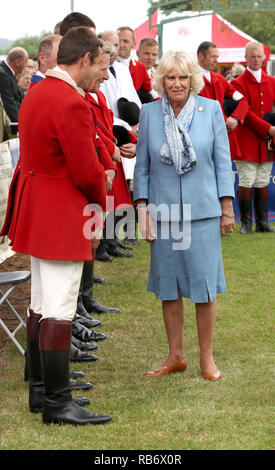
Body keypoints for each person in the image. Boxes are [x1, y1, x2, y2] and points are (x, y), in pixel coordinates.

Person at [0, 26, 112, 425]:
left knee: (41, 303)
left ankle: (40, 390)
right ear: (84, 60)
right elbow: (86, 170)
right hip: (61, 211)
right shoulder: (70, 102)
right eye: (98, 64)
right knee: (60, 308)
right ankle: (58, 402)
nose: (100, 72)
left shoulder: (37, 91)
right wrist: (103, 201)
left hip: (36, 206)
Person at [134, 50, 235, 381]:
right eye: (170, 77)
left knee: (204, 287)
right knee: (168, 287)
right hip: (163, 215)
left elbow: (222, 163)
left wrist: (226, 209)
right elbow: (143, 167)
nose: (176, 84)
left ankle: (207, 358)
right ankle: (176, 355)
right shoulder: (149, 113)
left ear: (193, 79)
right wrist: (143, 210)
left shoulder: (212, 111)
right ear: (161, 81)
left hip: (203, 213)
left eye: (182, 77)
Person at [231, 41, 275, 233]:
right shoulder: (236, 83)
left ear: (264, 58)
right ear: (246, 58)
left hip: (267, 141)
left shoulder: (272, 82)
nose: (256, 60)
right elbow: (245, 113)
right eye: (252, 56)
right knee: (246, 179)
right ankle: (246, 223)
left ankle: (263, 222)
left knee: (263, 179)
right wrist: (269, 128)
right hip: (247, 138)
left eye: (259, 56)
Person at [117, 26, 153, 103]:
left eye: (125, 41)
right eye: (118, 41)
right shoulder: (108, 65)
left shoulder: (140, 67)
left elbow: (151, 90)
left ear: (134, 44)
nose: (121, 44)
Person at [0, 47, 29, 122]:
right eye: (25, 63)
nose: (26, 66)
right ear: (18, 62)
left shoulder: (8, 72)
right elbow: (9, 103)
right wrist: (20, 124)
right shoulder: (2, 74)